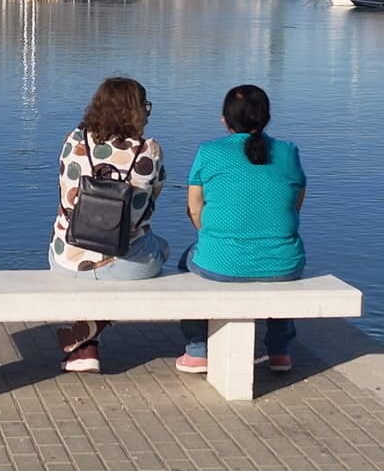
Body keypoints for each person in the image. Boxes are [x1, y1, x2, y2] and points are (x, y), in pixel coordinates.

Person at [177, 84, 306, 374]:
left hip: (220, 262)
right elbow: (294, 203)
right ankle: (280, 351)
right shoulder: (288, 152)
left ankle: (197, 350)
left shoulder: (208, 151)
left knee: (187, 261)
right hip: (284, 262)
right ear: (266, 117)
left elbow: (194, 208)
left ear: (224, 120)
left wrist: (211, 237)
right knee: (279, 268)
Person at [49, 76, 169, 373]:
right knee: (161, 248)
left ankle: (86, 347)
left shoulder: (73, 141)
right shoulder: (148, 151)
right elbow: (150, 204)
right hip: (124, 262)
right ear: (137, 111)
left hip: (67, 258)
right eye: (146, 107)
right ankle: (91, 328)